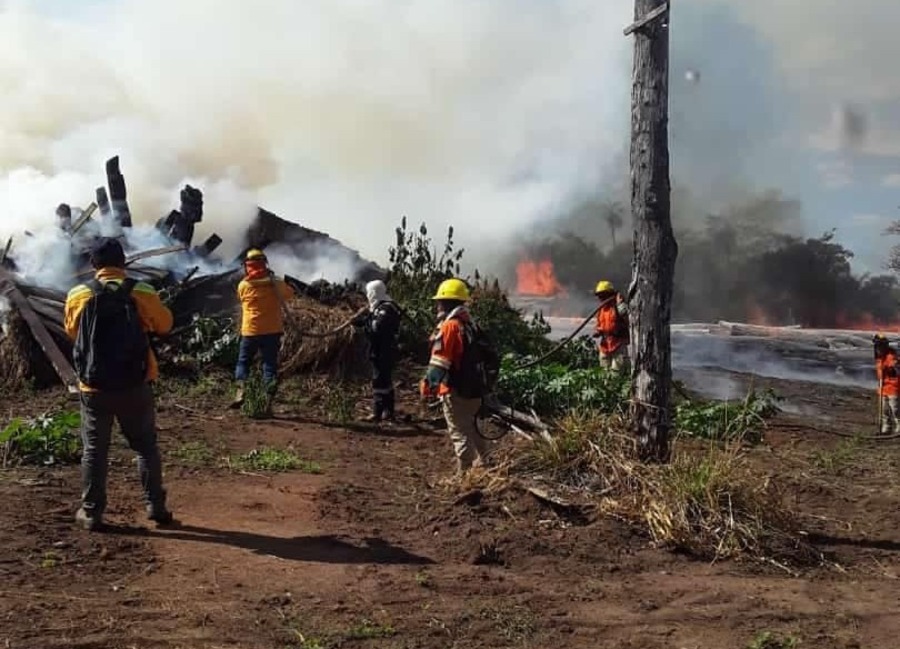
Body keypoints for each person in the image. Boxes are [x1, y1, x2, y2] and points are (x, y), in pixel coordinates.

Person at [64, 237, 174, 531]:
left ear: (93, 264)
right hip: (135, 383)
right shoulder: (142, 291)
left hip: (94, 387)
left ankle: (91, 512)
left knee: (94, 450)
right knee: (145, 446)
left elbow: (73, 331)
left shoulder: (77, 294)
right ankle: (156, 506)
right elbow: (164, 325)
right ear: (123, 262)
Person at [420, 278, 487, 475]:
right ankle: (486, 463)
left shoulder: (450, 327)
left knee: (459, 431)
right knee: (473, 426)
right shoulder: (471, 324)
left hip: (455, 390)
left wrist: (428, 386)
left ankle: (464, 474)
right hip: (475, 389)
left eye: (439, 302)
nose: (437, 306)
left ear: (446, 303)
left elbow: (440, 362)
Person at [231, 248, 296, 408]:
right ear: (264, 264)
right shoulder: (277, 284)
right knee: (269, 365)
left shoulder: (243, 285)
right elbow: (290, 294)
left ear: (247, 266)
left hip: (250, 331)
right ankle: (268, 401)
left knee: (243, 363)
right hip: (272, 331)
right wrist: (274, 279)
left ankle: (240, 391)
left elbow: (240, 298)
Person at [353, 280, 401, 423]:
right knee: (385, 381)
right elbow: (369, 321)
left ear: (374, 293)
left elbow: (376, 328)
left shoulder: (385, 310)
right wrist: (356, 321)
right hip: (383, 350)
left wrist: (366, 325)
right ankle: (388, 411)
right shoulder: (382, 308)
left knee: (379, 381)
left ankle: (377, 413)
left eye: (369, 293)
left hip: (383, 352)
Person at [591, 280, 630, 372]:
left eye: (602, 295)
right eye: (599, 296)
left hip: (618, 344)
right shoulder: (601, 310)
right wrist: (598, 331)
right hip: (605, 345)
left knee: (616, 373)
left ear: (609, 294)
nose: (600, 298)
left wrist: (620, 303)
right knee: (604, 372)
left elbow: (627, 318)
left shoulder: (618, 307)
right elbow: (599, 324)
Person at [874, 334, 899, 434]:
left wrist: (891, 367)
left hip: (893, 386)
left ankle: (899, 425)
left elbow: (894, 365)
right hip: (883, 386)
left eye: (880, 345)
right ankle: (886, 427)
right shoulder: (879, 357)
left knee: (895, 408)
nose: (878, 348)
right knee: (884, 409)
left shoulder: (891, 355)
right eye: (877, 346)